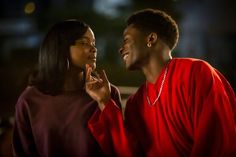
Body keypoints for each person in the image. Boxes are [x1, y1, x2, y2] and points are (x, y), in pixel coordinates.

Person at [85, 8, 236, 157]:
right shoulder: (135, 103)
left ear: (151, 39)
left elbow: (217, 141)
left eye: (126, 40)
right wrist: (104, 101)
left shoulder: (195, 73)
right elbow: (129, 152)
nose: (120, 49)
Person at [12, 19, 121, 157]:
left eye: (93, 43)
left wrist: (105, 102)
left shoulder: (107, 93)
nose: (94, 49)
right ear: (61, 48)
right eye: (84, 43)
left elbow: (119, 148)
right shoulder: (30, 100)